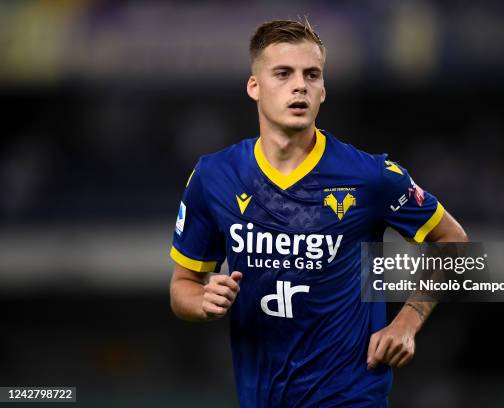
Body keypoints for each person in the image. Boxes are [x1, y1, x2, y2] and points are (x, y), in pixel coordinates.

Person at [169, 18, 468, 407]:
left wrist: (407, 322)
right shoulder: (214, 176)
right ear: (254, 87)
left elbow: (457, 245)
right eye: (283, 73)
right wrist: (203, 301)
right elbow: (182, 287)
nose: (300, 86)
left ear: (323, 90)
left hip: (351, 395)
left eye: (312, 75)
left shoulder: (370, 176)